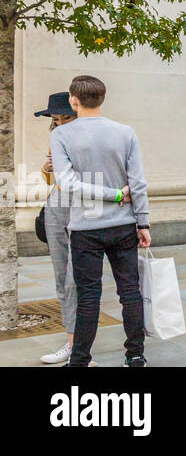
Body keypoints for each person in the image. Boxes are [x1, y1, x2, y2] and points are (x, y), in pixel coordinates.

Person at [50, 75, 150, 368]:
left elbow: (67, 184)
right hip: (123, 226)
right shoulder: (125, 132)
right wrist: (141, 221)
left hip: (85, 229)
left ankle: (79, 360)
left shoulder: (61, 135)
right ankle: (135, 356)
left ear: (73, 99)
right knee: (130, 292)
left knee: (89, 296)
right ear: (102, 99)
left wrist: (115, 196)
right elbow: (138, 184)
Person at [34, 93, 80, 365]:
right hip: (56, 209)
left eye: (66, 118)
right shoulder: (57, 138)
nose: (61, 123)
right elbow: (54, 182)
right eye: (56, 119)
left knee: (78, 280)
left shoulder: (86, 138)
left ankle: (80, 346)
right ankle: (72, 342)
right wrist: (47, 168)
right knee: (62, 279)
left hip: (83, 212)